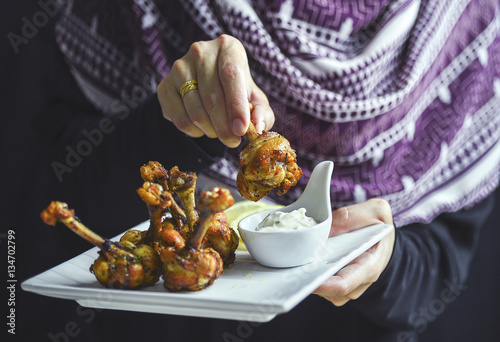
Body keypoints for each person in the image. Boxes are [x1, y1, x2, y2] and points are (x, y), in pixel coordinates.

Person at [4, 0, 500, 341]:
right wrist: (184, 123)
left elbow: (444, 270)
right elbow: (48, 196)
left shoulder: (471, 25)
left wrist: (379, 263)